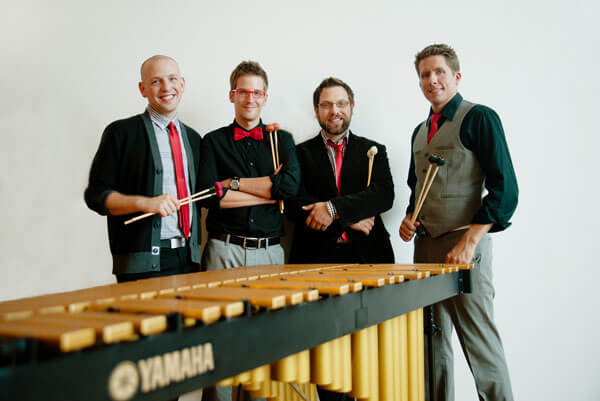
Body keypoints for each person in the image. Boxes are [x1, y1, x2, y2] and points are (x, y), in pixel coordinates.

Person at [399, 44, 518, 401]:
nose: (431, 80)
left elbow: (505, 191)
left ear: (456, 77)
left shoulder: (480, 117)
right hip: (426, 249)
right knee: (431, 345)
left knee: (480, 345)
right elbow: (416, 190)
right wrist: (409, 220)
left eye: (439, 72)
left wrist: (469, 243)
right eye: (424, 74)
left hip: (465, 248)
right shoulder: (419, 132)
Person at [287, 77, 395, 401]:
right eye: (327, 104)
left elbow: (384, 196)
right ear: (317, 110)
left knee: (369, 354)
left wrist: (333, 208)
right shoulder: (299, 153)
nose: (334, 111)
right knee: (326, 358)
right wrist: (347, 218)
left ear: (351, 107)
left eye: (341, 103)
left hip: (369, 261)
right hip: (316, 262)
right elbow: (295, 205)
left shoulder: (373, 150)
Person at [198, 60, 300, 401]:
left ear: (265, 96)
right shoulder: (212, 142)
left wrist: (235, 184)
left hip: (270, 253)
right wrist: (267, 190)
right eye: (243, 91)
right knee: (218, 344)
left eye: (257, 92)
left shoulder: (282, 140)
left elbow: (289, 190)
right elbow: (213, 199)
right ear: (232, 95)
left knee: (263, 346)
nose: (250, 98)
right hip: (223, 250)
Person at [84, 55, 203, 283]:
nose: (167, 87)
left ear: (182, 84)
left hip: (189, 259)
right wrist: (144, 203)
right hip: (141, 264)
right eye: (156, 81)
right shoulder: (120, 133)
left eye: (172, 78)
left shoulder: (194, 139)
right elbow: (96, 196)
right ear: (143, 89)